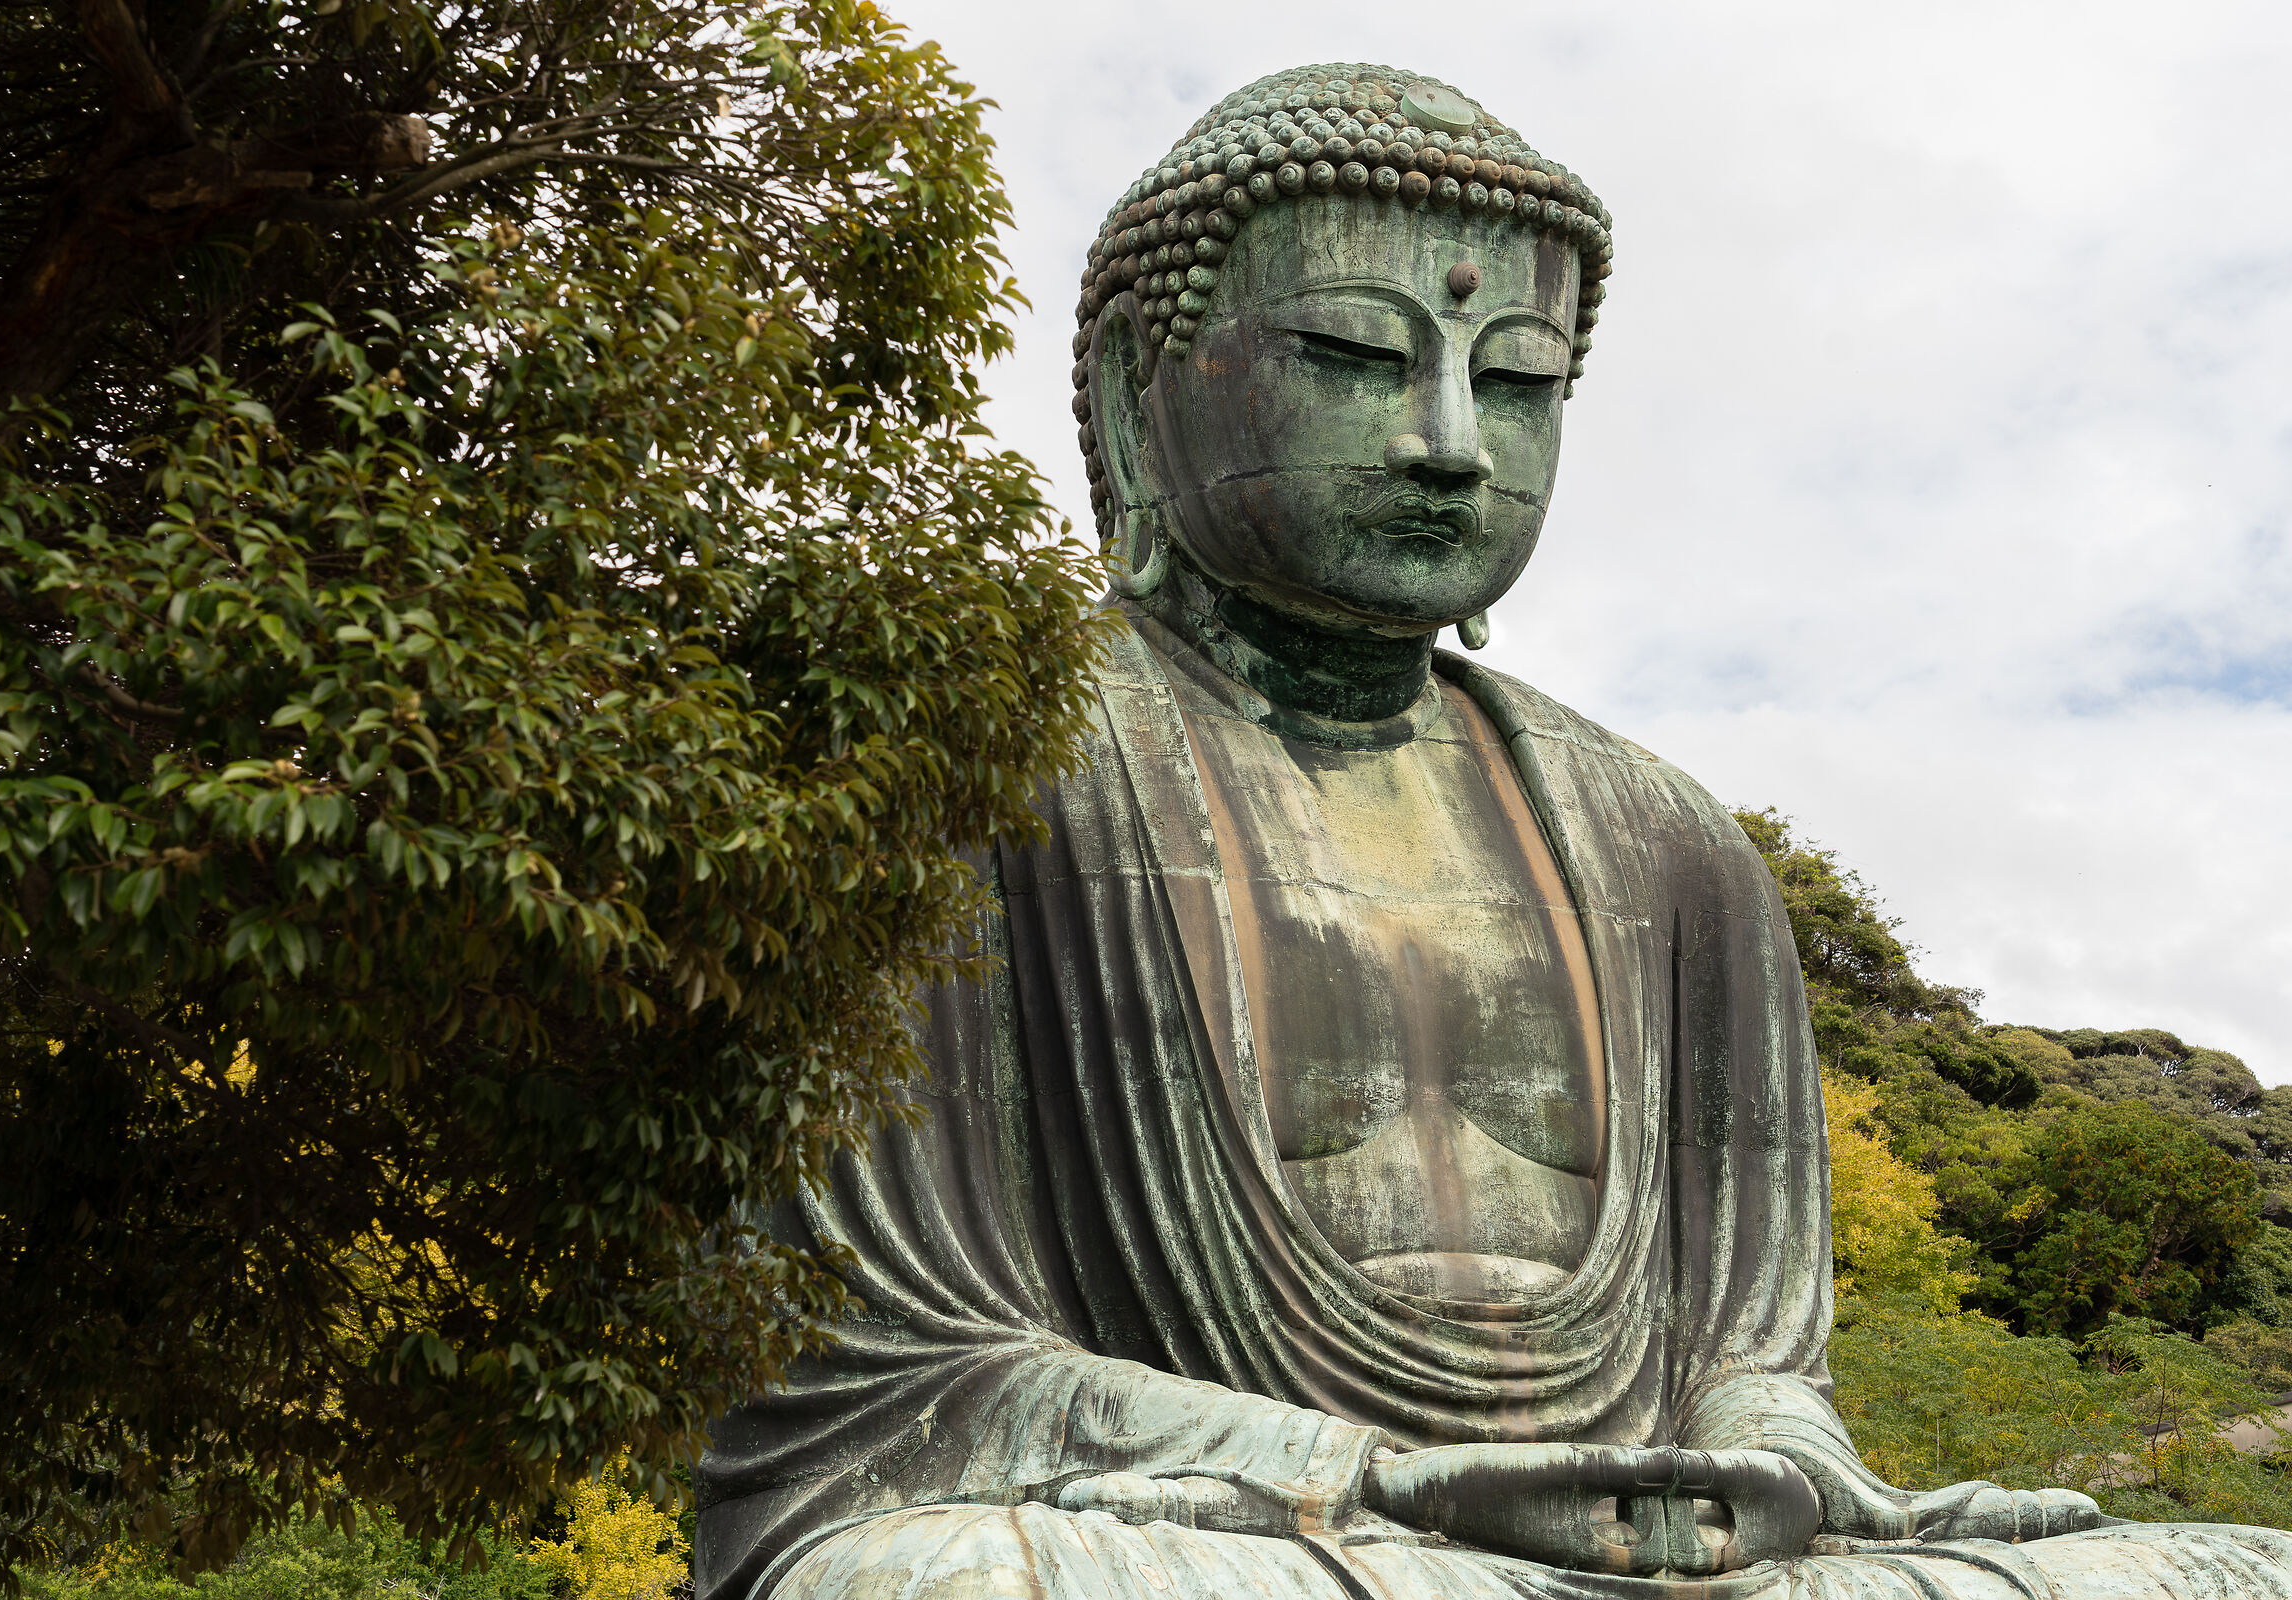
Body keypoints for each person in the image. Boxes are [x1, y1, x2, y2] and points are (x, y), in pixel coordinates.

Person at [694, 62, 2292, 1599]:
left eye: (1517, 380)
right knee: (933, 1583)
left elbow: (1750, 1360)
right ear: (1135, 384)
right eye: (1356, 354)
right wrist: (1365, 1471)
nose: (1450, 442)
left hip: (1635, 1554)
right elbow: (878, 1376)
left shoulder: (1668, 844)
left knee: (2228, 1570)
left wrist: (1773, 1462)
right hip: (1232, 1532)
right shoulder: (966, 761)